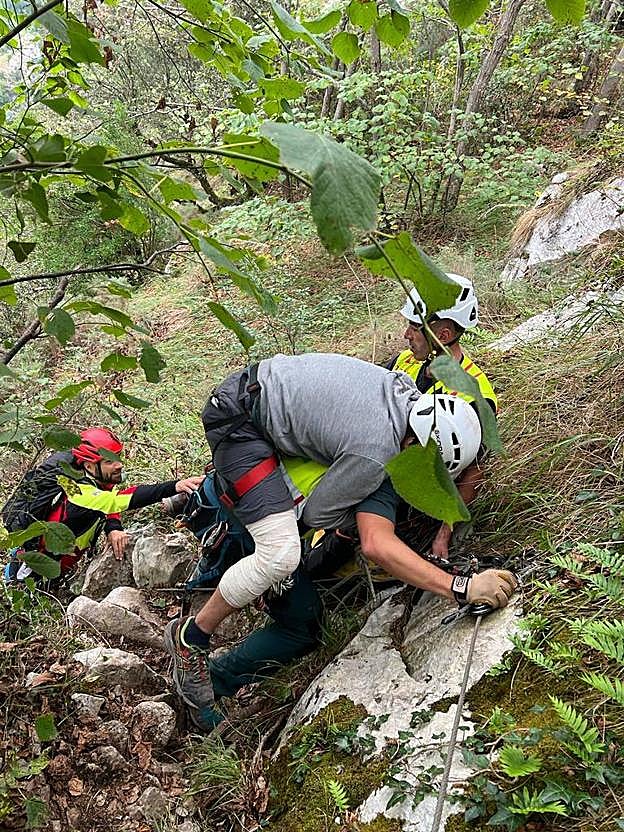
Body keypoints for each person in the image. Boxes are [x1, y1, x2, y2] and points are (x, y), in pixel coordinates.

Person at [164, 354, 517, 727]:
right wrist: (461, 588)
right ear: (419, 448)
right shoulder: (376, 453)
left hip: (253, 403)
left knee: (303, 621)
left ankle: (214, 681)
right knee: (281, 555)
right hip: (240, 421)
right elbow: (337, 524)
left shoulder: (405, 395)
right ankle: (194, 636)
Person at [2, 426, 203, 583]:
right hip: (34, 570)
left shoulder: (89, 476)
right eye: (109, 461)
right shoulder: (78, 493)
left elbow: (108, 496)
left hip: (59, 563)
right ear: (89, 465)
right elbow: (120, 500)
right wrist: (174, 486)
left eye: (117, 457)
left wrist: (113, 527)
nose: (119, 465)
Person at [388, 274, 497, 558]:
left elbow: (475, 472)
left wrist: (443, 535)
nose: (406, 335)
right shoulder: (404, 362)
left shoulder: (475, 398)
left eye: (414, 327)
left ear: (443, 336)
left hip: (414, 497)